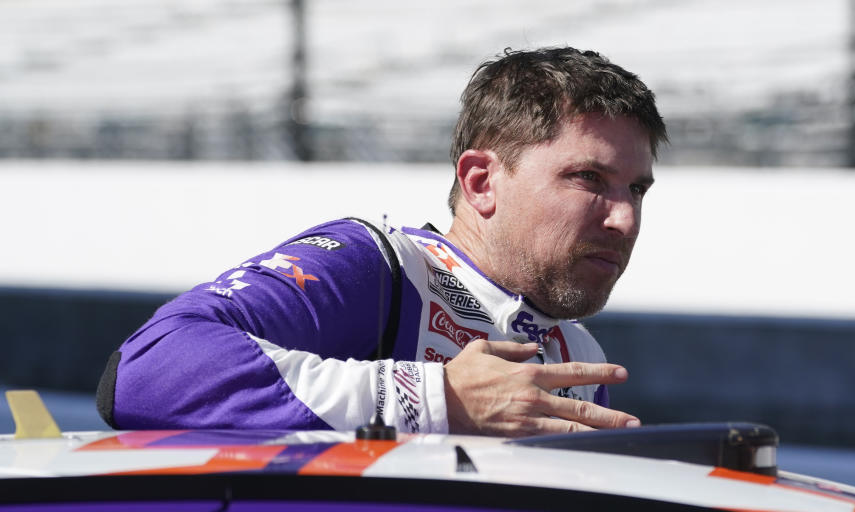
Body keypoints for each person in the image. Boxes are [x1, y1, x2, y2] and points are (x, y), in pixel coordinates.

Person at [96, 46, 668, 437]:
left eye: (636, 190)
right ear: (481, 181)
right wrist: (439, 400)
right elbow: (141, 373)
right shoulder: (377, 267)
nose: (624, 220)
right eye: (588, 179)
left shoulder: (578, 355)